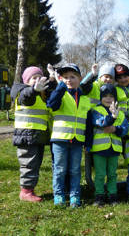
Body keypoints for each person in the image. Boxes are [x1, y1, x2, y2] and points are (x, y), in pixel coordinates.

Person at [47, 63, 92, 207]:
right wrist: (60, 87)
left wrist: (88, 143)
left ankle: (75, 196)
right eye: (65, 77)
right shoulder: (60, 94)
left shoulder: (85, 99)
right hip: (60, 139)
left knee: (75, 170)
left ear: (80, 79)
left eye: (72, 77)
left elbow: (89, 125)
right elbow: (52, 104)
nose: (69, 80)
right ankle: (59, 195)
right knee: (60, 169)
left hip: (78, 141)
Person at [11, 65, 56, 202]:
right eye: (33, 78)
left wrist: (52, 76)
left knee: (35, 164)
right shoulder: (22, 91)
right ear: (26, 81)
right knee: (28, 163)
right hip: (26, 135)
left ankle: (30, 189)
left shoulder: (41, 94)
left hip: (37, 135)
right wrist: (33, 89)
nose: (37, 80)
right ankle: (25, 191)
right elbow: (27, 97)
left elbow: (50, 87)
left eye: (39, 77)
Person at [89, 84, 129, 206]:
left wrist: (115, 129)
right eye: (105, 96)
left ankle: (113, 195)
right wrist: (112, 117)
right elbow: (101, 122)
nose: (108, 99)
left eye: (111, 96)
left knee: (112, 174)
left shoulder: (120, 113)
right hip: (99, 149)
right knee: (100, 174)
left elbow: (125, 129)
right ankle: (99, 195)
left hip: (114, 148)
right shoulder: (96, 110)